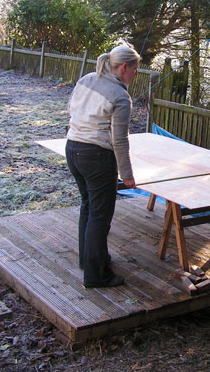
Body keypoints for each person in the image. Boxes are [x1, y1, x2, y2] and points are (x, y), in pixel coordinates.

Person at [65, 43, 140, 288]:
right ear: (125, 67)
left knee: (88, 206)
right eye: (136, 70)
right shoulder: (120, 96)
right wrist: (127, 175)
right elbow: (119, 139)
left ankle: (89, 261)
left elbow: (72, 110)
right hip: (97, 158)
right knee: (100, 215)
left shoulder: (87, 79)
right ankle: (97, 276)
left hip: (73, 149)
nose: (136, 75)